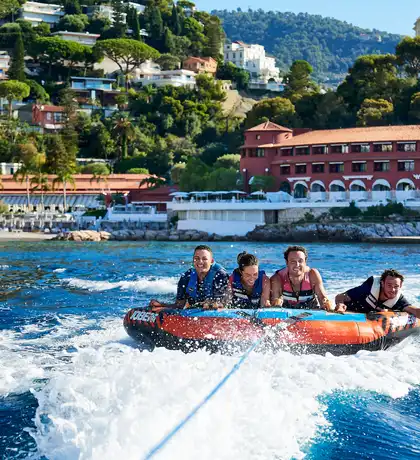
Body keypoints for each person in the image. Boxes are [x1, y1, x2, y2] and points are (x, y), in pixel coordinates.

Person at [150, 245, 229, 310]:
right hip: (196, 310)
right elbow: (179, 305)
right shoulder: (186, 277)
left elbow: (222, 304)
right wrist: (162, 306)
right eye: (196, 258)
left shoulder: (221, 275)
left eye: (204, 259)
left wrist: (209, 304)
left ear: (211, 261)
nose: (200, 262)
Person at [335, 269, 420, 318]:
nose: (393, 290)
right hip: (349, 314)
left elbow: (415, 311)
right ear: (382, 283)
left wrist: (389, 313)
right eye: (389, 285)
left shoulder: (398, 299)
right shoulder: (369, 287)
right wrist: (340, 303)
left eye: (396, 286)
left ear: (401, 285)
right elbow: (340, 296)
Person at [270, 245, 334, 310]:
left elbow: (322, 297)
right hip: (286, 314)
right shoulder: (277, 278)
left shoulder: (312, 275)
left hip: (310, 313)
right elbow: (275, 303)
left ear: (305, 262)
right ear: (287, 262)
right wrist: (276, 303)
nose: (297, 265)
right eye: (293, 261)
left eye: (300, 261)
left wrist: (327, 305)